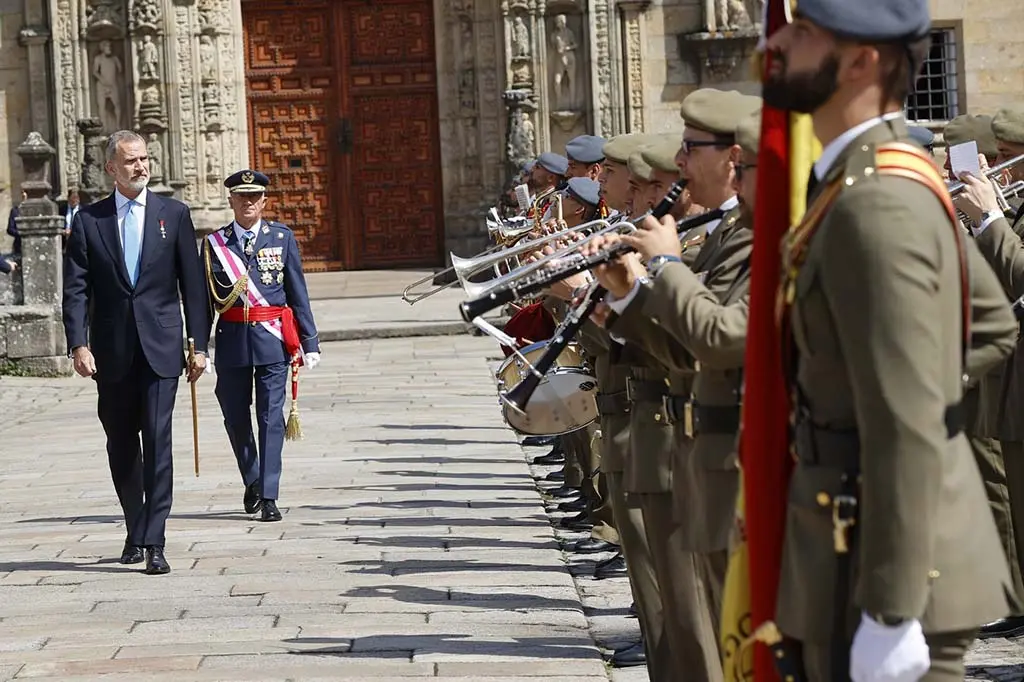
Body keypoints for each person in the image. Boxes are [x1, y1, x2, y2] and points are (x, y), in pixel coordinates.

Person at [763, 0, 1016, 679]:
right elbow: (987, 323)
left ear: (863, 60)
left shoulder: (875, 202)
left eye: (803, 31)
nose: (778, 39)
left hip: (882, 568)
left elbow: (906, 417)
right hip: (850, 544)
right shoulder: (869, 177)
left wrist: (892, 609)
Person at [62, 129, 209, 576]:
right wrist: (78, 344)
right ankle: (135, 525)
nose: (141, 167)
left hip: (163, 349)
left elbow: (193, 288)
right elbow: (75, 290)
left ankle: (156, 541)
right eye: (130, 161)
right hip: (112, 353)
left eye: (144, 159)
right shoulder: (90, 221)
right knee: (121, 444)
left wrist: (199, 346)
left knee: (159, 441)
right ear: (111, 169)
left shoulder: (174, 214)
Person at [203, 170, 321, 522]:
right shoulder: (214, 244)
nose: (248, 202)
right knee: (235, 416)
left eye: (255, 197)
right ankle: (252, 478)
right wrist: (198, 346)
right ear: (231, 201)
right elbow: (202, 301)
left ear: (264, 201)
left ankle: (269, 494)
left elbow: (297, 291)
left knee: (271, 417)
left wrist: (309, 340)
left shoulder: (281, 238)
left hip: (272, 339)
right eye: (241, 197)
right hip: (232, 340)